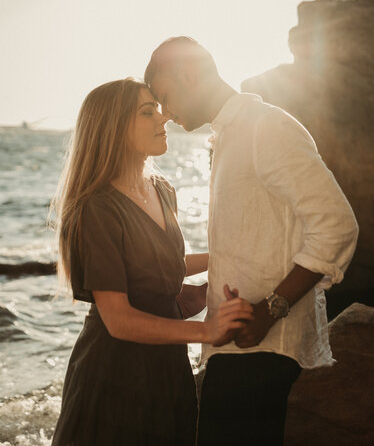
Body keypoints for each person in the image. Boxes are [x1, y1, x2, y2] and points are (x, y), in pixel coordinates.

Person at [145, 37, 359, 446]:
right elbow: (259, 237)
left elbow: (337, 225)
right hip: (240, 344)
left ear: (190, 74)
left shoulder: (265, 126)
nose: (167, 115)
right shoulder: (230, 135)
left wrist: (270, 310)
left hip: (262, 347)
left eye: (166, 98)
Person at [50, 78, 253, 446]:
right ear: (114, 126)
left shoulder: (163, 189)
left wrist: (232, 257)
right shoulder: (97, 207)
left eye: (159, 109)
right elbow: (119, 320)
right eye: (148, 112)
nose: (164, 119)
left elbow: (162, 266)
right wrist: (206, 332)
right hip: (114, 374)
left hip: (168, 367)